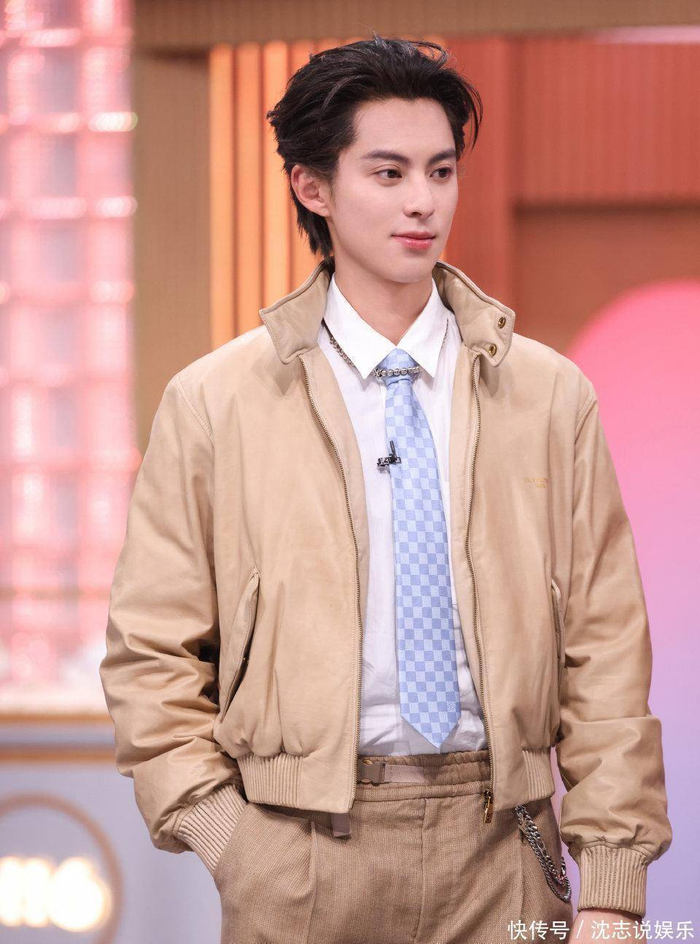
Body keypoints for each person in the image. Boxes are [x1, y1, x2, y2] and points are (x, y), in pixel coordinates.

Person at [99, 32, 672, 944]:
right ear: (312, 187)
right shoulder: (216, 402)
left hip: (507, 845)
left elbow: (604, 651)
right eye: (389, 172)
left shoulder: (548, 394)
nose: (422, 202)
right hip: (300, 852)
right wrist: (234, 843)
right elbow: (150, 654)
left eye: (441, 171)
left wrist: (610, 880)